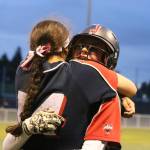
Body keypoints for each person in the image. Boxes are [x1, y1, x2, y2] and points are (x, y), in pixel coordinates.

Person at [2, 22, 136, 150]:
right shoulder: (94, 77)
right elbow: (132, 88)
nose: (84, 50)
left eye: (94, 48)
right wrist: (117, 95)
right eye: (79, 46)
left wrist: (117, 93)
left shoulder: (29, 71)